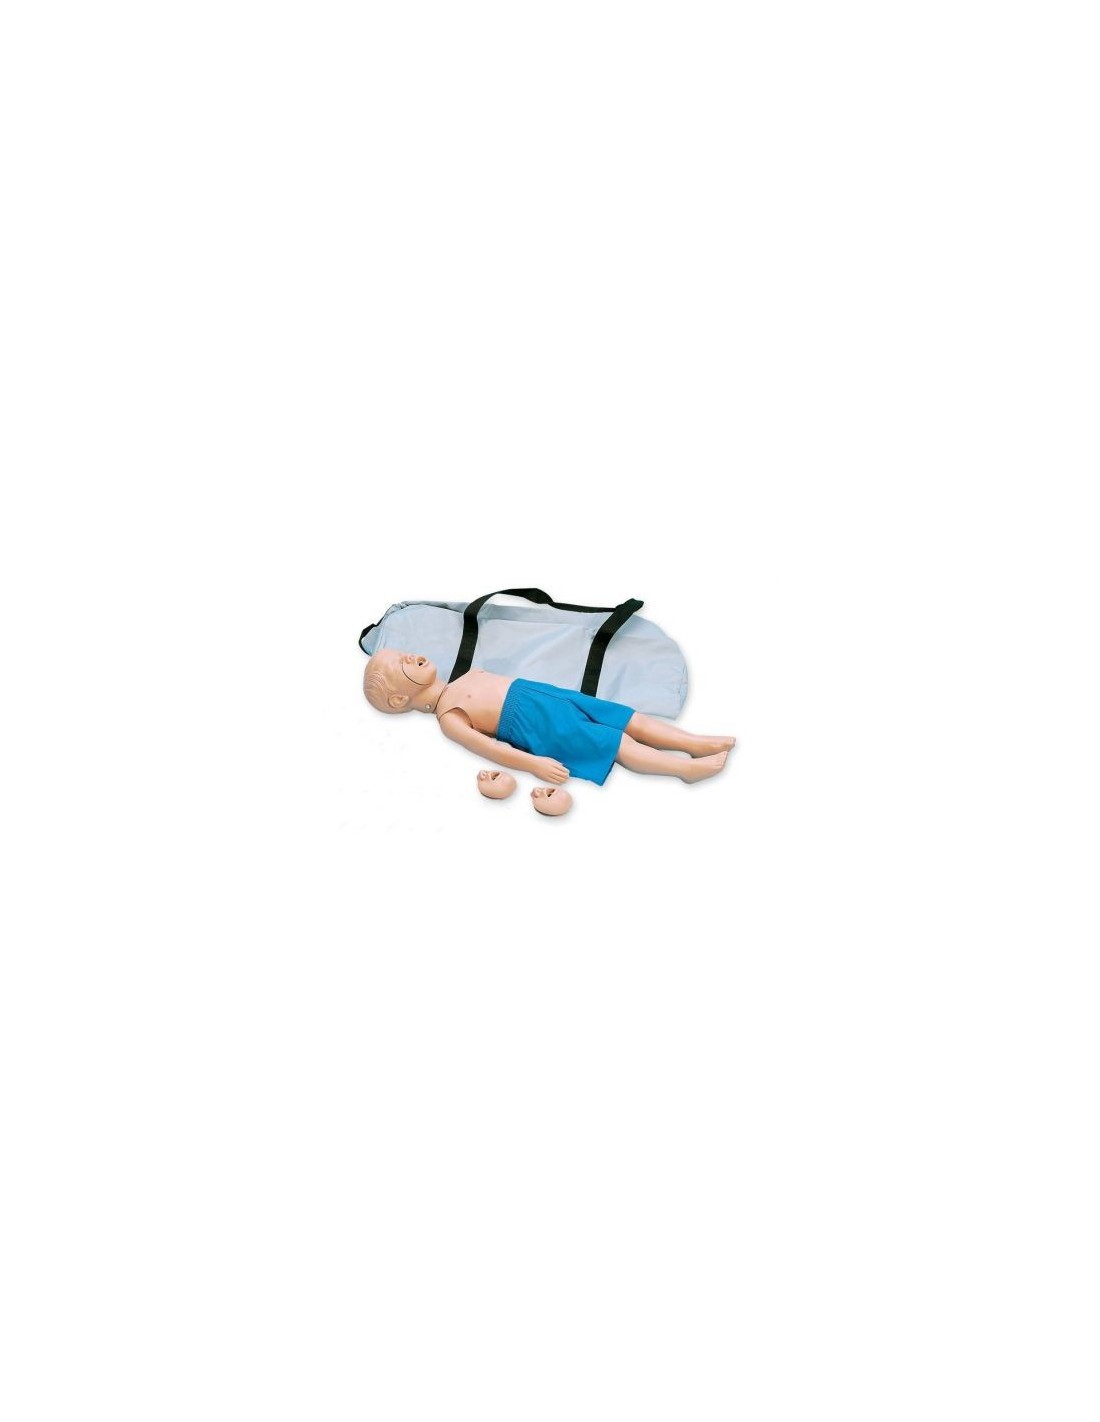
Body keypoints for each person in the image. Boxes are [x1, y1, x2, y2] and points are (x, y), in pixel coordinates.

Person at [364, 650, 735, 786]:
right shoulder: (449, 718)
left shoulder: (463, 677)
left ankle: (694, 743)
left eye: (403, 652)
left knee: (628, 718)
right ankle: (684, 770)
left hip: (546, 695)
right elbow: (492, 750)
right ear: (398, 699)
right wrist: (534, 764)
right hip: (535, 723)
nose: (408, 656)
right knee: (615, 741)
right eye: (399, 664)